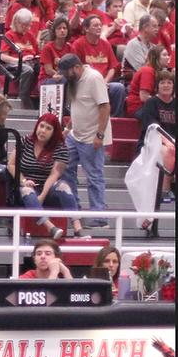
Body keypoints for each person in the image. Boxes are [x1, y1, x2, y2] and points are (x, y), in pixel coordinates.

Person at [7, 113, 83, 239]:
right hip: (26, 186)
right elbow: (11, 164)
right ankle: (50, 227)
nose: (43, 131)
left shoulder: (61, 148)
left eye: (48, 128)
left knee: (63, 186)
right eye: (41, 126)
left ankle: (77, 227)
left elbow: (55, 174)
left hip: (48, 188)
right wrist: (23, 180)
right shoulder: (24, 141)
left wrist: (42, 195)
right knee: (27, 190)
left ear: (54, 132)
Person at [58, 53, 110, 228]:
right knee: (65, 168)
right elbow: (77, 107)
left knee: (94, 177)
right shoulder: (74, 81)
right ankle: (75, 211)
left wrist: (100, 134)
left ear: (77, 68)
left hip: (92, 136)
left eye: (67, 72)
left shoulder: (94, 78)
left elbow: (105, 106)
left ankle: (100, 218)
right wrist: (67, 129)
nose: (65, 75)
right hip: (76, 134)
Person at [72, 14, 126, 117]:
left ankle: (115, 119)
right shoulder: (78, 44)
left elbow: (112, 68)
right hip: (86, 83)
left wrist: (105, 82)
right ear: (86, 29)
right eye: (95, 25)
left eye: (100, 25)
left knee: (119, 88)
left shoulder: (106, 44)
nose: (99, 28)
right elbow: (77, 69)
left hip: (104, 83)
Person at [127, 44, 168, 119]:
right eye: (164, 55)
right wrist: (163, 103)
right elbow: (144, 97)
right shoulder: (148, 71)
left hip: (148, 105)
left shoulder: (158, 72)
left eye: (167, 55)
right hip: (138, 107)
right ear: (156, 58)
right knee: (166, 117)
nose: (168, 58)